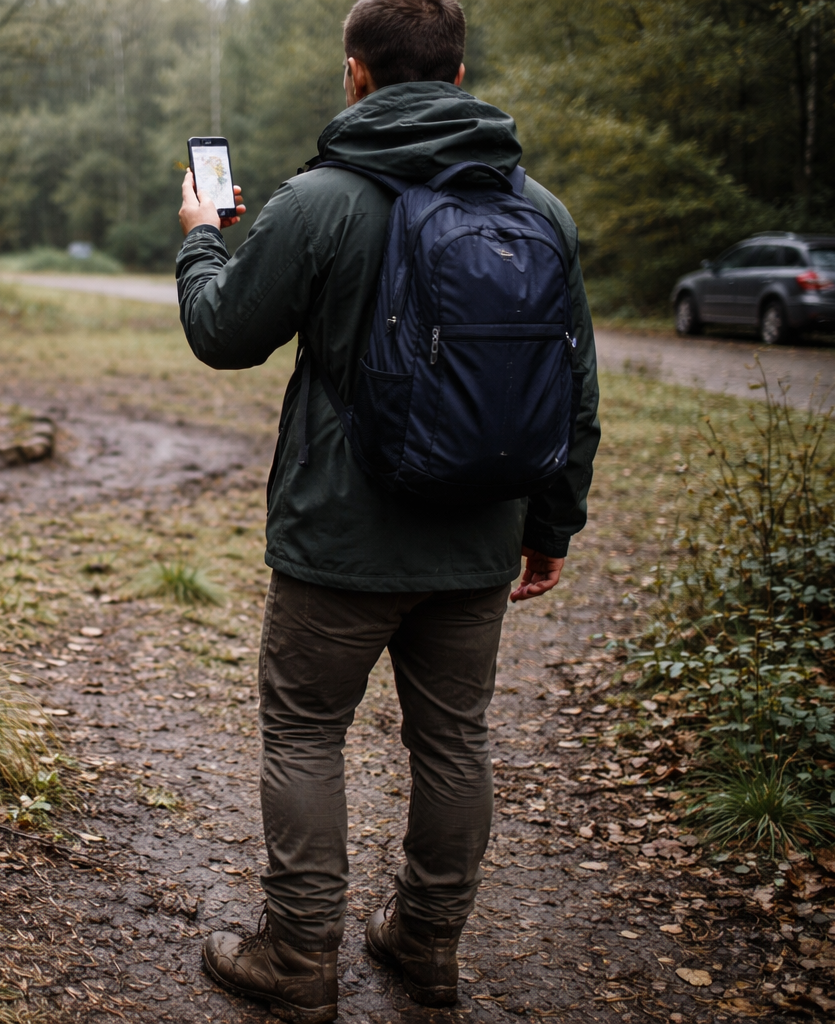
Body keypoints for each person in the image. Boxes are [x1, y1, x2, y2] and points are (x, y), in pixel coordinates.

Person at [174, 0, 599, 1020]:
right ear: (459, 78)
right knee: (455, 740)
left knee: (307, 731)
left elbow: (225, 334)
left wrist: (200, 240)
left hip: (339, 541)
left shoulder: (319, 200)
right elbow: (577, 387)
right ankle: (426, 944)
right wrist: (551, 526)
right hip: (479, 536)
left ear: (355, 75)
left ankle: (297, 957)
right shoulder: (541, 211)